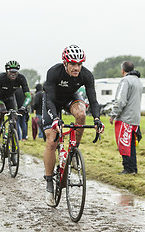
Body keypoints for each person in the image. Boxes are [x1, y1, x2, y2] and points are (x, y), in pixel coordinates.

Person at [42, 45, 104, 206]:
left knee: (82, 114)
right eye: (73, 64)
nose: (76, 68)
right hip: (52, 101)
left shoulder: (86, 75)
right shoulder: (54, 72)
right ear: (65, 63)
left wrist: (97, 119)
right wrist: (55, 118)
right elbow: (49, 100)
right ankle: (49, 182)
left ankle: (73, 151)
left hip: (70, 98)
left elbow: (93, 99)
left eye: (79, 64)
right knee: (51, 141)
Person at [109, 61, 143, 175]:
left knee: (124, 143)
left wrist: (113, 114)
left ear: (123, 70)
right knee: (131, 144)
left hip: (125, 118)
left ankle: (128, 168)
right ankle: (133, 168)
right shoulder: (138, 81)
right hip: (135, 118)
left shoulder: (125, 81)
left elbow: (120, 100)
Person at [0, 60, 31, 152]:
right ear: (6, 71)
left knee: (14, 119)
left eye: (15, 72)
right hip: (0, 99)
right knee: (1, 114)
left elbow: (28, 96)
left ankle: (13, 145)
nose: (13, 74)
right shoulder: (0, 78)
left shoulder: (21, 78)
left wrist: (24, 107)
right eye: (11, 72)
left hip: (10, 99)